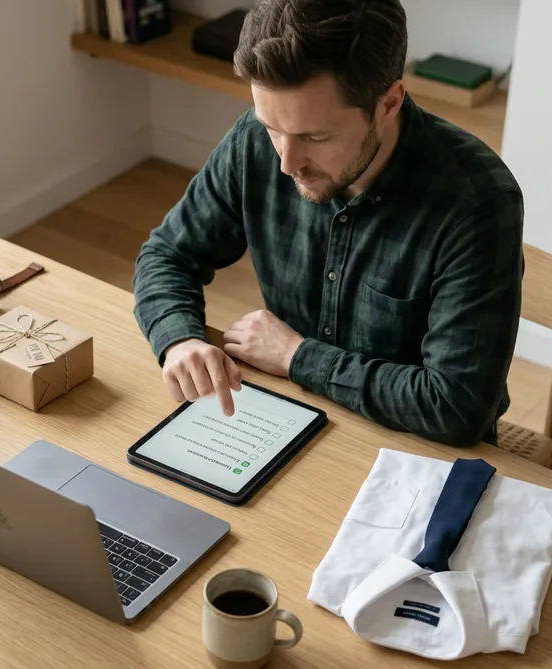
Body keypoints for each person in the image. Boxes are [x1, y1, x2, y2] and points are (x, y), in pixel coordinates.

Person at [132, 0, 524, 447]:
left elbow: (456, 406)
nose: (286, 162)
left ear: (389, 102)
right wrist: (179, 339)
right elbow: (167, 254)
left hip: (416, 449)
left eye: (315, 138)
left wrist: (298, 356)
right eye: (272, 128)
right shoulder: (255, 143)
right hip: (288, 417)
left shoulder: (476, 201)